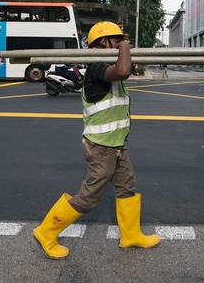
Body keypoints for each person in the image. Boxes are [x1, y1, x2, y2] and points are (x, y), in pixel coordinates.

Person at [32, 21, 160, 259]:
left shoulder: (106, 67)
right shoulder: (97, 68)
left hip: (117, 144)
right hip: (101, 147)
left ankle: (131, 235)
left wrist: (126, 52)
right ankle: (46, 231)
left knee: (126, 186)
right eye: (117, 39)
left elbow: (126, 69)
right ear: (104, 42)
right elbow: (122, 71)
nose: (122, 43)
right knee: (90, 196)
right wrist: (126, 47)